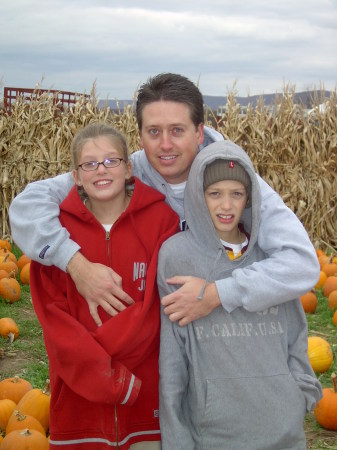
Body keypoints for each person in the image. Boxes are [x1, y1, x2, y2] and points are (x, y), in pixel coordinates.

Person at [9, 73, 319, 328]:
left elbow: (302, 264)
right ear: (140, 134)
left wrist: (217, 294)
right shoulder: (126, 172)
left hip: (229, 332)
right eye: (154, 131)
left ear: (199, 132)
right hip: (155, 335)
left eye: (177, 131)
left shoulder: (233, 180)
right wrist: (77, 265)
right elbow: (27, 206)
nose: (165, 145)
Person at [157, 140, 323, 450]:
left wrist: (299, 395)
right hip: (214, 434)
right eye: (214, 194)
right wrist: (177, 437)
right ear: (197, 196)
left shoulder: (269, 257)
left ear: (249, 198)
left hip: (283, 433)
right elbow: (173, 358)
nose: (226, 205)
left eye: (237, 194)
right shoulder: (177, 256)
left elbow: (296, 333)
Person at [29, 122, 180, 449]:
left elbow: (155, 309)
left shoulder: (161, 223)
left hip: (144, 396)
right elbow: (54, 321)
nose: (101, 170)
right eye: (90, 163)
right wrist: (100, 370)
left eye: (112, 161)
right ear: (76, 176)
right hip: (77, 400)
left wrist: (107, 363)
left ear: (128, 169)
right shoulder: (57, 235)